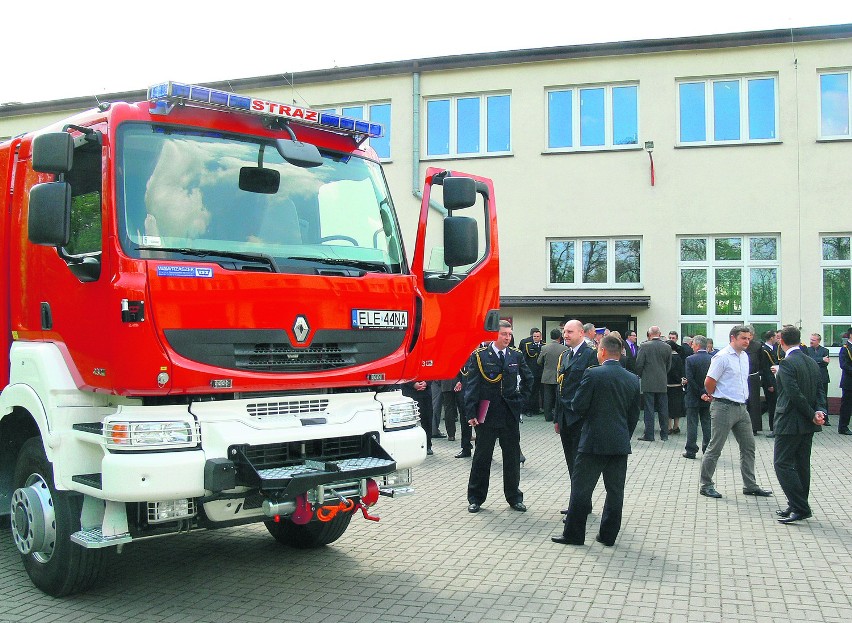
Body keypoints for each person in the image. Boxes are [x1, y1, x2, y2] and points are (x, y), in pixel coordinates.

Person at [551, 335, 640, 547]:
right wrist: (623, 436)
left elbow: (579, 405)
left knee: (581, 489)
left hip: (592, 441)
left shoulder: (592, 374)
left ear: (601, 352)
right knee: (615, 491)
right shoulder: (632, 379)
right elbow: (634, 415)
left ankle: (574, 534)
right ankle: (608, 536)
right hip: (619, 443)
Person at [464, 321, 533, 513]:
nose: (507, 337)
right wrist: (471, 412)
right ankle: (476, 498)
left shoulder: (516, 355)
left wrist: (521, 401)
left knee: (511, 457)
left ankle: (514, 497)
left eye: (510, 334)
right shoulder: (480, 356)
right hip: (487, 413)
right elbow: (472, 386)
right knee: (482, 457)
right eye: (504, 334)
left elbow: (529, 379)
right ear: (495, 335)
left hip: (509, 413)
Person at [699, 325, 773, 499]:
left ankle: (750, 485)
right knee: (715, 447)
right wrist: (713, 395)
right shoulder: (722, 357)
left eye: (749, 338)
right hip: (723, 407)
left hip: (741, 408)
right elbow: (709, 381)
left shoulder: (744, 357)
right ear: (733, 338)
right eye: (744, 338)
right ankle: (706, 484)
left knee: (749, 447)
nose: (747, 341)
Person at [773, 325, 826, 524]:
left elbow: (794, 394)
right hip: (807, 422)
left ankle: (801, 507)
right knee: (802, 464)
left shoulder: (786, 364)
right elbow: (820, 390)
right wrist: (820, 411)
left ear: (782, 341)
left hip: (790, 421)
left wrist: (814, 414)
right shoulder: (811, 362)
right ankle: (796, 504)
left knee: (782, 463)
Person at [554, 320, 598, 481]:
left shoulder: (590, 354)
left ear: (581, 333)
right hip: (565, 418)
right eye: (564, 331)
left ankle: (581, 504)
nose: (565, 335)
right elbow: (560, 388)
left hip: (581, 418)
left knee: (582, 465)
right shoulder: (565, 355)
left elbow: (592, 389)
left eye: (570, 332)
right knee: (571, 463)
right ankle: (575, 503)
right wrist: (557, 418)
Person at [635, 326, 672, 441]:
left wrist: (641, 375)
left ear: (649, 334)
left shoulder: (644, 346)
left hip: (648, 381)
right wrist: (662, 374)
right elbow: (669, 365)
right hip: (662, 381)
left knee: (649, 409)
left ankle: (649, 435)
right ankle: (664, 434)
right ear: (660, 334)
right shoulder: (667, 347)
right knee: (663, 409)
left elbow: (639, 364)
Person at [683, 335, 712, 459]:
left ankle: (691, 451)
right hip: (708, 396)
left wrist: (700, 393)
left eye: (693, 344)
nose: (692, 347)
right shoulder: (712, 359)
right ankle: (708, 450)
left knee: (692, 424)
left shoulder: (690, 359)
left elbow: (690, 379)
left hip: (694, 396)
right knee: (707, 423)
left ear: (698, 345)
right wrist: (706, 393)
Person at [538, 328, 568, 422]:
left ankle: (548, 416)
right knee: (558, 397)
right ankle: (557, 416)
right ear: (560, 337)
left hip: (547, 376)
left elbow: (539, 361)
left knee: (547, 397)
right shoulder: (565, 348)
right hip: (560, 376)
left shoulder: (545, 348)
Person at [804, 333, 831, 428]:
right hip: (810, 377)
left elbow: (825, 363)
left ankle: (825, 418)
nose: (811, 341)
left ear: (819, 341)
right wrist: (820, 359)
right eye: (811, 339)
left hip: (823, 377)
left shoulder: (825, 350)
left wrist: (817, 360)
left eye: (814, 340)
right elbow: (808, 360)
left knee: (823, 397)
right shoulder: (806, 350)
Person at [402, 380, 434, 456]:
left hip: (425, 393)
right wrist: (413, 384)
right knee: (407, 421)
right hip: (409, 393)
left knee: (427, 421)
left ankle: (427, 445)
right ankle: (408, 446)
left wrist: (426, 383)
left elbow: (431, 371)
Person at [518, 328, 544, 414]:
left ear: (540, 337)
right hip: (530, 372)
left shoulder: (543, 345)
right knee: (529, 391)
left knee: (537, 392)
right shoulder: (527, 345)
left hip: (540, 372)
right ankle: (527, 409)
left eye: (537, 336)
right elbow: (524, 359)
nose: (536, 338)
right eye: (534, 336)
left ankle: (535, 409)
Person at [760, 330, 780, 437]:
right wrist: (769, 385)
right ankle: (773, 428)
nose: (777, 339)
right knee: (772, 406)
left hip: (776, 380)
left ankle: (777, 427)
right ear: (771, 338)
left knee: (775, 405)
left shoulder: (775, 348)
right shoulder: (764, 350)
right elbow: (765, 369)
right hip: (770, 382)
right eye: (776, 337)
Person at [665, 339, 686, 434]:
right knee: (677, 406)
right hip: (678, 385)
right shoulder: (679, 357)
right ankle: (676, 426)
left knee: (668, 406)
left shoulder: (669, 358)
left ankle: (668, 427)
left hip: (669, 384)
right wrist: (681, 380)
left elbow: (670, 371)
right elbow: (681, 370)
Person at [839, 331, 852, 435]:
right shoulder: (845, 348)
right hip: (849, 382)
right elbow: (844, 365)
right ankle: (843, 427)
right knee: (846, 406)